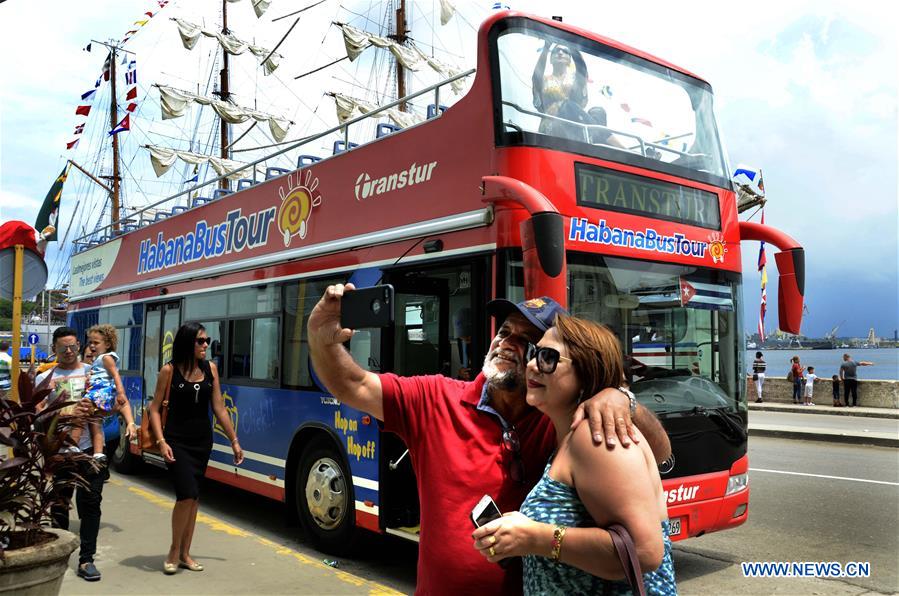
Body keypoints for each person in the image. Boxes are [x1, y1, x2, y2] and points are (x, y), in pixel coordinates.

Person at [308, 285, 671, 595]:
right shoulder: (435, 398)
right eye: (504, 332)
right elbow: (353, 385)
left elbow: (659, 456)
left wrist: (622, 398)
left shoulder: (564, 419)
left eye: (530, 343)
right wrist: (321, 337)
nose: (508, 345)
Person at [472, 315, 676, 594]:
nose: (531, 364)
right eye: (534, 354)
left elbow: (644, 553)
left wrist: (533, 537)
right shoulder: (568, 435)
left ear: (587, 372)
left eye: (547, 358)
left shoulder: (595, 436)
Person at [147, 322, 243, 575]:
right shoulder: (169, 371)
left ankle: (185, 554)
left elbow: (219, 407)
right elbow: (154, 409)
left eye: (207, 341)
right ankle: (173, 551)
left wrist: (234, 441)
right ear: (187, 343)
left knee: (195, 498)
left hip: (202, 442)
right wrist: (161, 441)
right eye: (200, 341)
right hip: (176, 441)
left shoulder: (210, 369)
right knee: (186, 494)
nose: (205, 346)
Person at [36, 327, 105, 581]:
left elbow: (107, 408)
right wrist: (59, 414)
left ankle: (87, 559)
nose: (69, 351)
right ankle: (60, 554)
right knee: (60, 505)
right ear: (54, 349)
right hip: (60, 451)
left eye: (73, 346)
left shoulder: (93, 373)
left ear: (79, 346)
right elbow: (37, 415)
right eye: (63, 347)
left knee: (91, 506)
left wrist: (97, 407)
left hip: (88, 451)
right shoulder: (45, 378)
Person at [532, 41, 590, 140]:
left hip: (574, 131)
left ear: (570, 60)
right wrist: (546, 47)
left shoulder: (574, 80)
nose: (560, 53)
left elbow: (582, 71)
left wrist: (572, 45)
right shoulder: (544, 80)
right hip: (549, 129)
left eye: (565, 51)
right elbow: (537, 75)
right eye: (555, 51)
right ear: (550, 59)